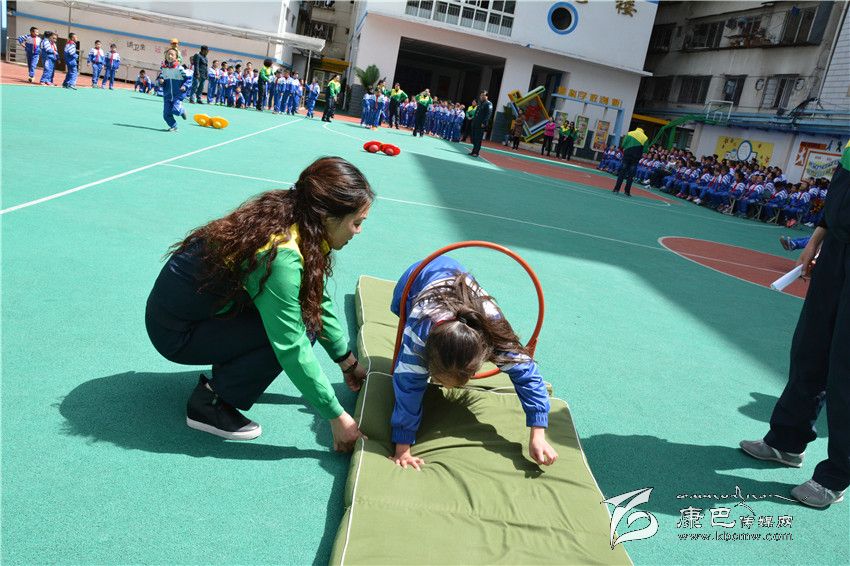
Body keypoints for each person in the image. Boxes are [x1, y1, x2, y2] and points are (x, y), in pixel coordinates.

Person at [145, 157, 373, 448]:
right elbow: (291, 344)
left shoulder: (295, 216)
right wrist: (337, 417)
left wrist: (346, 361)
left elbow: (314, 297)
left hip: (190, 314)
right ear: (328, 217)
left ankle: (228, 372)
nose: (358, 231)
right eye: (356, 222)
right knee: (303, 329)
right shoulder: (281, 253)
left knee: (304, 315)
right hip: (176, 333)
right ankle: (209, 404)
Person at [740, 140, 850, 508]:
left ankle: (837, 475)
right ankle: (786, 442)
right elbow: (840, 193)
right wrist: (817, 239)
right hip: (836, 249)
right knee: (809, 350)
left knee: (846, 367)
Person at [388, 256, 558, 470]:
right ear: (427, 359)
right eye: (441, 380)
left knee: (515, 359)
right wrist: (402, 448)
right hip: (417, 277)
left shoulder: (494, 331)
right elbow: (408, 387)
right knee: (400, 315)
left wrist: (538, 432)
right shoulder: (418, 333)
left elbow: (527, 373)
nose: (447, 388)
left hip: (459, 282)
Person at [157, 47, 192, 131]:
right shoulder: (163, 68)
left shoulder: (179, 68)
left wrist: (185, 86)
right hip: (167, 95)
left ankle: (182, 110)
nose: (170, 56)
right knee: (166, 114)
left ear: (176, 57)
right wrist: (161, 81)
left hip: (178, 94)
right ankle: (174, 126)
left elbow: (189, 78)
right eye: (168, 54)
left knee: (176, 110)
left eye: (172, 55)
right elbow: (160, 78)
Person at [612, 127, 647, 197]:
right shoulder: (645, 137)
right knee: (631, 175)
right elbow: (645, 150)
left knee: (622, 173)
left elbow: (623, 144)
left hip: (627, 155)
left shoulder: (630, 133)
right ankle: (627, 191)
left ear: (636, 129)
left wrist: (625, 148)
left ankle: (616, 189)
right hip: (636, 157)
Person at [469, 90, 492, 157]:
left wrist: (484, 123)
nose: (481, 96)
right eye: (481, 95)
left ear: (486, 96)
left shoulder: (488, 104)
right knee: (473, 137)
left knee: (478, 138)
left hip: (481, 124)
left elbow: (488, 114)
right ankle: (473, 151)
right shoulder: (480, 104)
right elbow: (476, 114)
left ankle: (476, 152)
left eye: (483, 95)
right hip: (475, 123)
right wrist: (473, 122)